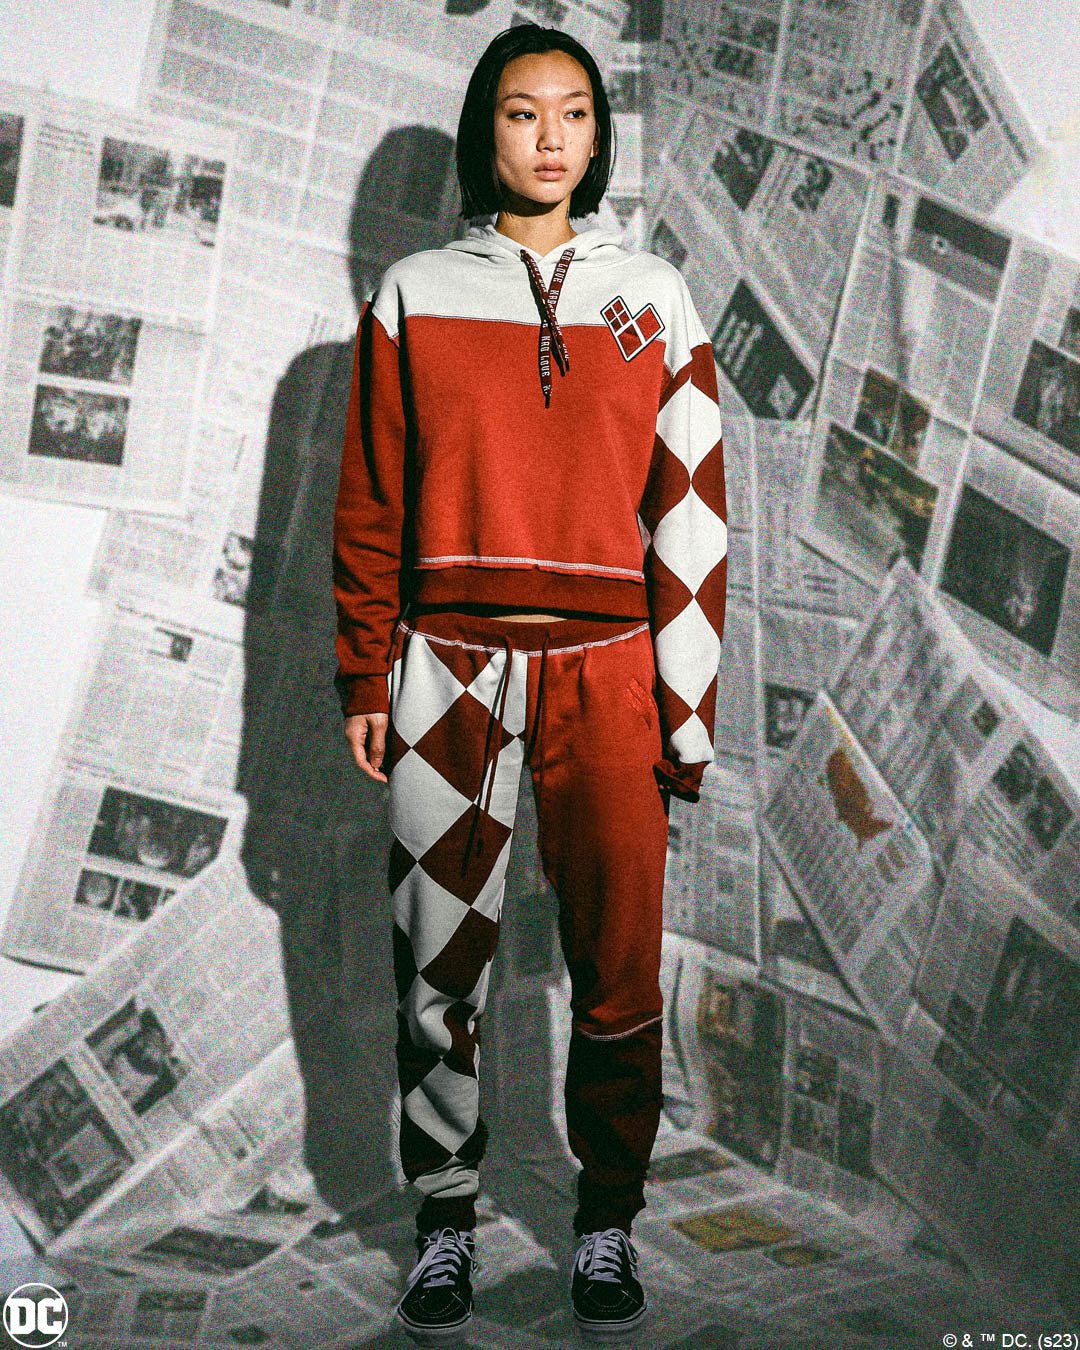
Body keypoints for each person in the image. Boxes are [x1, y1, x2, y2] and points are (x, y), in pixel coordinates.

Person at [332, 22, 727, 1343]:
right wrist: (365, 672)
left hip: (612, 673)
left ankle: (606, 1218)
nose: (549, 138)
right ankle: (444, 1221)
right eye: (520, 112)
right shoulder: (412, 294)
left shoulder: (655, 296)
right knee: (437, 970)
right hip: (449, 667)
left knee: (619, 972)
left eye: (573, 113)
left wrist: (686, 708)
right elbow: (372, 498)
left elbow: (690, 517)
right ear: (484, 130)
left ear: (599, 134)